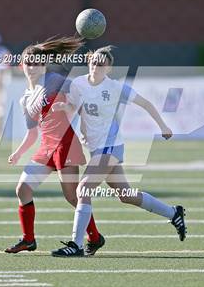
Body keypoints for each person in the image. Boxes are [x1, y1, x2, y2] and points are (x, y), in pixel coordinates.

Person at [51, 46, 186, 257]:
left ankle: (76, 245)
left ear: (109, 68)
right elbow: (77, 107)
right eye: (94, 61)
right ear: (89, 62)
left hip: (111, 146)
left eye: (101, 63)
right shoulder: (78, 84)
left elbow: (145, 103)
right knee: (126, 195)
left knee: (83, 188)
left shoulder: (115, 87)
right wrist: (64, 109)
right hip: (97, 149)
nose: (96, 65)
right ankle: (173, 212)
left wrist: (163, 126)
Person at [4, 37, 104, 256]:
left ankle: (95, 237)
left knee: (72, 196)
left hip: (65, 144)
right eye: (28, 62)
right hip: (46, 147)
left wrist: (80, 111)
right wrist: (19, 152)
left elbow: (80, 92)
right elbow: (32, 133)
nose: (32, 66)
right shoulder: (26, 99)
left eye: (37, 62)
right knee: (23, 189)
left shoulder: (55, 80)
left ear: (44, 64)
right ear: (22, 65)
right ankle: (28, 240)